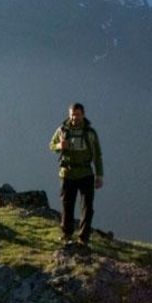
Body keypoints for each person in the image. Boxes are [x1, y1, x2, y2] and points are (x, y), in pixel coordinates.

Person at [49, 102, 103, 246]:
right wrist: (60, 146)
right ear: (69, 114)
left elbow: (97, 155)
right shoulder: (62, 130)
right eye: (72, 114)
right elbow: (51, 145)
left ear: (83, 114)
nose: (74, 117)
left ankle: (83, 238)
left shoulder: (90, 133)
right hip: (67, 173)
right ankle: (67, 234)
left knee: (87, 207)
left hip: (86, 173)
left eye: (77, 114)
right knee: (67, 205)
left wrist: (99, 175)